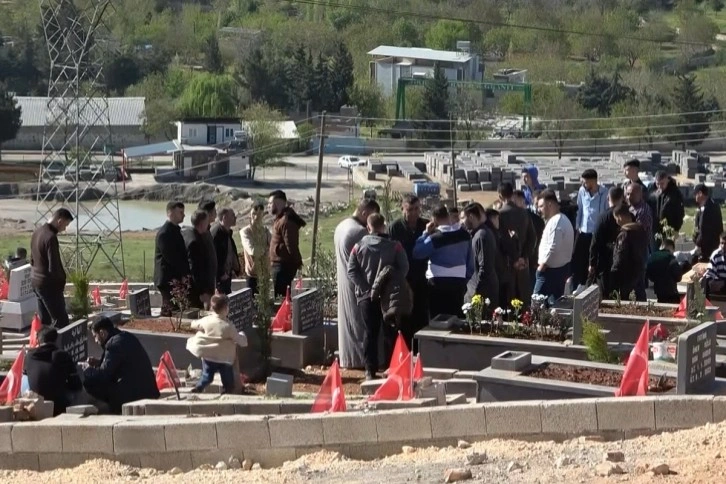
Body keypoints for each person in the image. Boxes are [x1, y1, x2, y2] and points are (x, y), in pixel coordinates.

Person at [347, 213, 409, 380]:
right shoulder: (395, 246)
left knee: (370, 333)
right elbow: (404, 268)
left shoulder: (358, 247)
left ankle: (370, 370)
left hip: (366, 298)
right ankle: (392, 368)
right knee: (390, 332)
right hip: (389, 298)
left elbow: (351, 271)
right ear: (384, 225)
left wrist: (366, 288)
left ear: (368, 227)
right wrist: (391, 284)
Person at [334, 198, 381, 369]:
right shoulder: (359, 232)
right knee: (362, 327)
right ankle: (362, 362)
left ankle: (351, 360)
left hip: (346, 284)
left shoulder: (342, 226)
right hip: (360, 289)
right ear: (364, 213)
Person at [83, 317, 159, 414]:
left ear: (102, 333)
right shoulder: (125, 336)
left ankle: (114, 410)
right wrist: (98, 362)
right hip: (148, 389)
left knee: (90, 382)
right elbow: (119, 362)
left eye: (95, 336)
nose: (95, 341)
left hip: (135, 394)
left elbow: (104, 374)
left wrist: (87, 370)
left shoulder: (113, 345)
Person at [413, 206, 474, 318]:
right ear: (448, 216)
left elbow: (417, 252)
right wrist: (465, 279)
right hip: (458, 282)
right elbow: (470, 263)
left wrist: (425, 233)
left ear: (434, 220)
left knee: (438, 319)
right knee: (457, 317)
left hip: (437, 283)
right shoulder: (465, 236)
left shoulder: (435, 238)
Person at [389, 194, 430, 351]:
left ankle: (420, 352)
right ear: (403, 209)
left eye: (417, 209)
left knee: (421, 317)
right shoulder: (395, 228)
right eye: (410, 209)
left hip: (422, 278)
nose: (414, 213)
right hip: (403, 280)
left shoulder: (425, 226)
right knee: (405, 319)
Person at [186, 294, 248, 394]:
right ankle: (227, 391)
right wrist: (243, 336)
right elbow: (239, 339)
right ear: (225, 309)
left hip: (209, 356)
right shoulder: (228, 326)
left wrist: (197, 325)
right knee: (227, 378)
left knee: (207, 376)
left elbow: (194, 324)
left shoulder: (207, 320)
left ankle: (199, 387)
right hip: (224, 358)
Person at [30, 208, 74, 328]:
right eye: (65, 225)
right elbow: (54, 266)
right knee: (61, 322)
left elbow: (32, 259)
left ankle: (45, 339)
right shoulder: (50, 237)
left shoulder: (37, 232)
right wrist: (60, 284)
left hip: (36, 282)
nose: (64, 229)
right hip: (49, 285)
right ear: (60, 221)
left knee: (45, 322)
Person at [25, 326, 83, 415]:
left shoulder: (29, 356)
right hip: (58, 405)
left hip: (36, 403)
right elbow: (76, 384)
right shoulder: (63, 355)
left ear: (38, 340)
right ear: (56, 340)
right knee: (79, 374)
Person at [498, 182, 536, 306]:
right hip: (523, 264)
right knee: (523, 301)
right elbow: (532, 237)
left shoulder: (500, 215)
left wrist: (515, 259)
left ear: (500, 196)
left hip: (507, 264)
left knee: (509, 302)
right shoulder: (524, 213)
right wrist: (523, 257)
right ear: (513, 194)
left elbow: (503, 240)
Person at [534, 190, 574, 303]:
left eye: (541, 206)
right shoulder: (561, 219)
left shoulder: (556, 222)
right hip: (558, 269)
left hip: (549, 271)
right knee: (553, 305)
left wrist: (542, 265)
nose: (539, 210)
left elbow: (553, 247)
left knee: (537, 303)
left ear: (550, 204)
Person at [153, 201, 191, 317]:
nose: (184, 215)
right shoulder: (164, 233)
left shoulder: (175, 230)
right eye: (180, 212)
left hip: (175, 277)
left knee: (175, 309)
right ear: (171, 213)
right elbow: (172, 258)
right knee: (170, 310)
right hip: (167, 279)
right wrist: (184, 273)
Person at [573, 169, 609, 289]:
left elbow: (606, 210)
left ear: (593, 181)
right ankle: (580, 284)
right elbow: (579, 209)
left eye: (586, 182)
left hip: (597, 232)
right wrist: (577, 227)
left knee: (593, 259)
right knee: (580, 259)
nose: (584, 185)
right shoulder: (582, 191)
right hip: (584, 231)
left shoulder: (604, 193)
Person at [268, 190, 306, 297]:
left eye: (270, 203)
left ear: (278, 203)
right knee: (281, 296)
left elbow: (291, 245)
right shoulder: (280, 219)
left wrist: (297, 262)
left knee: (282, 298)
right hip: (279, 266)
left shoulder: (286, 221)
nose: (268, 206)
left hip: (283, 267)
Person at [589, 186, 624, 297]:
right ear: (622, 198)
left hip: (605, 262)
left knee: (605, 294)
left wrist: (592, 263)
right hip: (623, 261)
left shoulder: (603, 217)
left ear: (608, 198)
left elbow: (595, 241)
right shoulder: (628, 215)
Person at [462, 203, 499, 308]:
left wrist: (476, 291)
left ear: (471, 217)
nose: (462, 221)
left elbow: (484, 267)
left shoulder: (481, 236)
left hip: (483, 292)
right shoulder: (478, 234)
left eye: (463, 218)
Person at [611, 204, 648, 300]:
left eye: (616, 219)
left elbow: (620, 258)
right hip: (639, 276)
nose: (616, 222)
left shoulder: (624, 235)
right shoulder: (641, 231)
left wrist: (613, 274)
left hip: (626, 278)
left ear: (620, 217)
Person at [485, 208, 517, 309]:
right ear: (492, 218)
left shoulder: (490, 232)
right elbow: (509, 249)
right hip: (499, 274)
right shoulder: (495, 233)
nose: (498, 221)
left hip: (497, 274)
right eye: (497, 218)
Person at [626, 182, 654, 301]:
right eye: (627, 194)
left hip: (640, 251)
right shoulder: (630, 208)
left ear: (639, 195)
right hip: (631, 250)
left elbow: (639, 231)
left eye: (631, 194)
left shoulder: (643, 211)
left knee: (638, 282)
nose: (629, 197)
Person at [183, 210, 216, 309]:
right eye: (207, 222)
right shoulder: (195, 242)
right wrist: (203, 291)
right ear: (202, 224)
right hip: (200, 290)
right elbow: (195, 269)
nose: (208, 224)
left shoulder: (196, 235)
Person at [513, 189, 545, 289]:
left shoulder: (536, 220)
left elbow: (538, 241)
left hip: (531, 263)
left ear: (522, 201)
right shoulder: (511, 218)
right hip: (516, 264)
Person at [240, 201, 271, 295]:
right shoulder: (245, 232)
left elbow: (273, 247)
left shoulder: (266, 231)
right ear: (250, 215)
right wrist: (265, 249)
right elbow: (252, 250)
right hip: (252, 275)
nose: (256, 217)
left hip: (265, 274)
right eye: (254, 214)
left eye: (259, 214)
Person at [211, 208, 240, 295]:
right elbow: (212, 257)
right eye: (232, 215)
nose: (235, 217)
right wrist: (220, 274)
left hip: (226, 276)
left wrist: (235, 269)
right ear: (224, 218)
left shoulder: (227, 233)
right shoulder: (217, 233)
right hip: (220, 279)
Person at [693, 184, 723, 263]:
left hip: (709, 247)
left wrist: (698, 244)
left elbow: (704, 229)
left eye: (695, 194)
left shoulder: (709, 208)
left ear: (700, 193)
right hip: (710, 245)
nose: (695, 197)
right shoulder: (708, 205)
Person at [646, 239, 683, 304]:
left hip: (659, 292)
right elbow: (678, 277)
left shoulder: (652, 257)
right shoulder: (670, 258)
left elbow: (649, 274)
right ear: (671, 248)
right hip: (671, 292)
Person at [653, 171, 685, 238]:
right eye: (657, 184)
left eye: (662, 183)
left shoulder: (675, 194)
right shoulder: (658, 191)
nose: (660, 186)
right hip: (658, 229)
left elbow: (680, 213)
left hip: (670, 229)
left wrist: (676, 229)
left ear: (667, 180)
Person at [197, 199, 218, 295]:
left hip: (211, 280)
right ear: (208, 214)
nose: (216, 213)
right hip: (203, 284)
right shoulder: (200, 233)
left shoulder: (208, 230)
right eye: (214, 211)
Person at [701, 233, 726, 297]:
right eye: (722, 243)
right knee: (705, 282)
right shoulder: (715, 255)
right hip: (721, 283)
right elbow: (710, 272)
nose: (723, 246)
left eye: (725, 244)